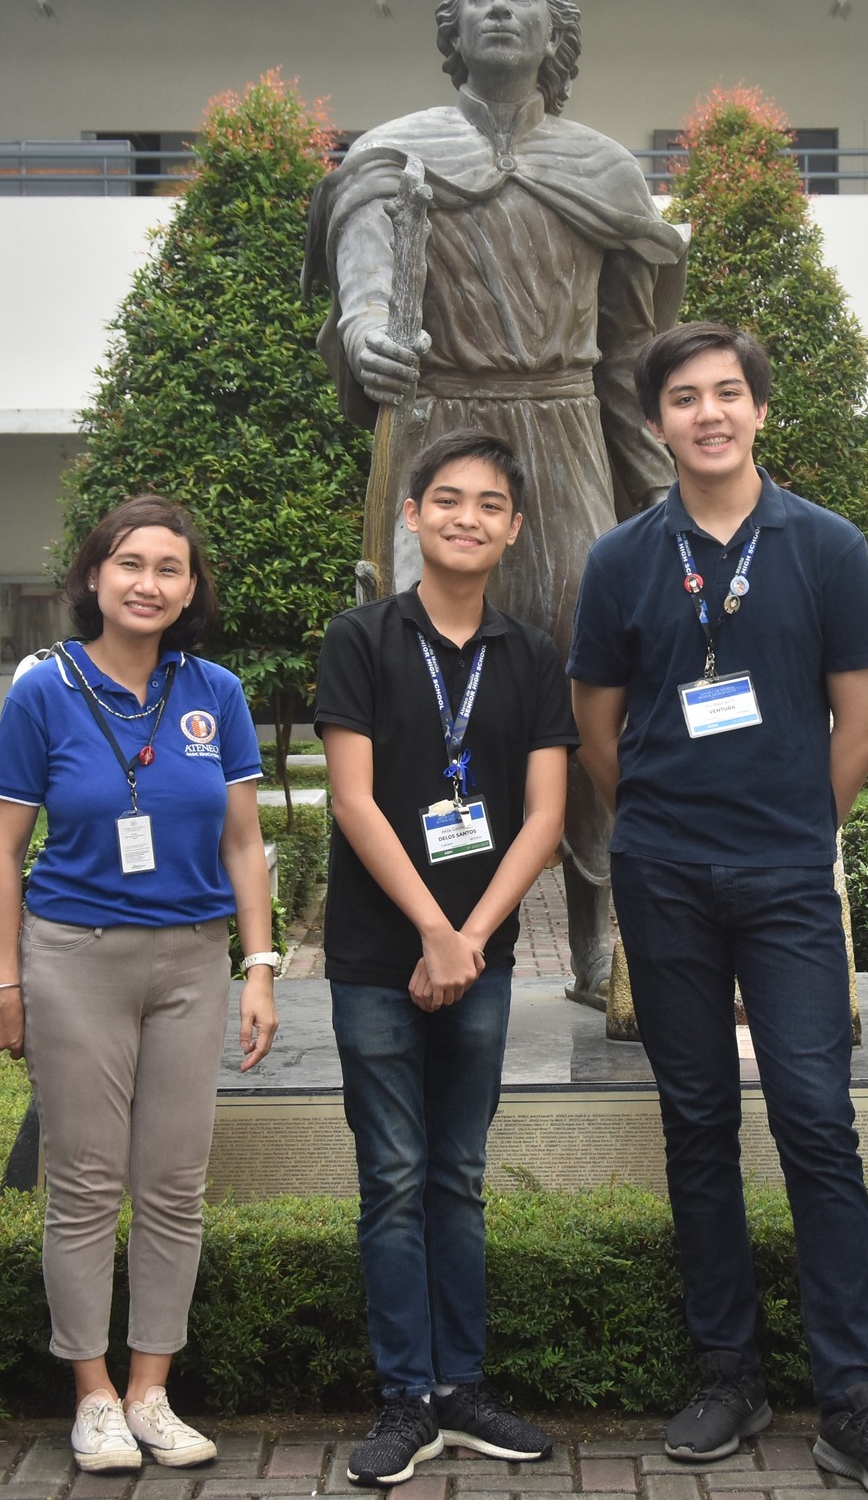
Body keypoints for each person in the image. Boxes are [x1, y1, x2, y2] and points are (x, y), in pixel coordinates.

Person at [571, 322, 868, 1500]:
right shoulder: (622, 556)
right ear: (655, 423)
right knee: (694, 1121)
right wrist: (660, 824)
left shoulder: (823, 547)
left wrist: (792, 829)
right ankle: (726, 1371)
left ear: (758, 412)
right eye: (683, 398)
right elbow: (597, 717)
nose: (707, 414)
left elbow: (861, 718)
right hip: (663, 875)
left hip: (786, 882)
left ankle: (851, 1393)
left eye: (727, 394)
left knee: (816, 1119)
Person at [304, 0, 687, 1010]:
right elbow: (366, 285)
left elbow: (625, 355)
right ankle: (416, 923)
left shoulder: (602, 169)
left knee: (590, 677)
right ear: (451, 30)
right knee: (411, 676)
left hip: (564, 440)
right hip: (437, 430)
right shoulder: (393, 156)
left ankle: (603, 932)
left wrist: (657, 488)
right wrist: (369, 334)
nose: (501, 10)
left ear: (554, 29)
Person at [0, 495, 277, 1475]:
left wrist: (260, 966)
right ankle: (92, 1395)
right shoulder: (44, 691)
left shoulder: (213, 693)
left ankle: (151, 1390)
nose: (149, 583)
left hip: (192, 959)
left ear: (190, 588)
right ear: (94, 576)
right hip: (75, 958)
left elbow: (243, 840)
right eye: (130, 563)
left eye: (170, 568)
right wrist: (2, 980)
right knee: (84, 1181)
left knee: (175, 1182)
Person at [314, 429, 573, 1487]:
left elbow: (546, 817)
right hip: (379, 954)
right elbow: (351, 799)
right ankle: (404, 1397)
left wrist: (469, 940)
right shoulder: (362, 638)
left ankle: (460, 1386)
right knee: (391, 1176)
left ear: (512, 530)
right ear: (410, 516)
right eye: (447, 499)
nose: (467, 517)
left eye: (489, 505)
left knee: (457, 1175)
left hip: (483, 956)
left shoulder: (529, 657)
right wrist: (430, 929)